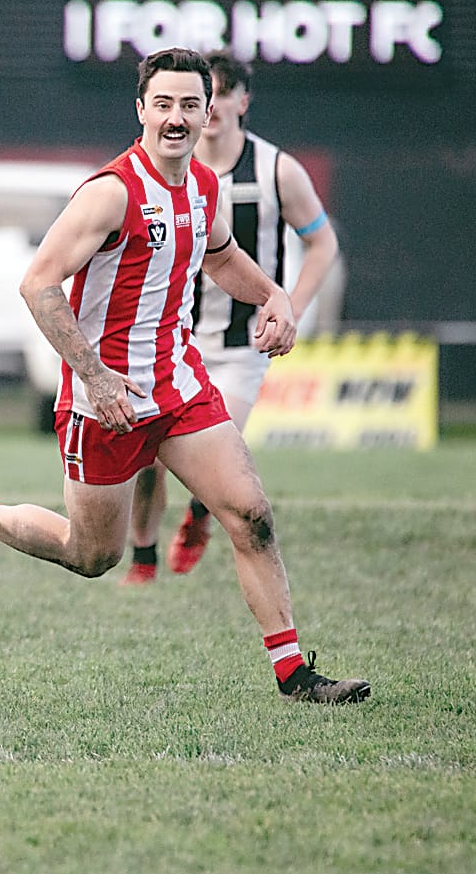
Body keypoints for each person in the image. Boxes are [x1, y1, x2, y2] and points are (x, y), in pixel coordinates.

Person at [0, 47, 369, 705]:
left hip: (179, 386)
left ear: (207, 113)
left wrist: (273, 296)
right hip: (106, 399)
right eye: (163, 104)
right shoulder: (111, 192)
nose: (176, 117)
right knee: (92, 555)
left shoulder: (202, 185)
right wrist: (94, 376)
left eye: (189, 104)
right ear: (141, 111)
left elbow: (221, 256)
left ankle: (294, 675)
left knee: (251, 516)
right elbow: (37, 283)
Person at [121, 51, 343, 585]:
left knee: (220, 448)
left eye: (222, 94)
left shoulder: (275, 170)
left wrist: (288, 305)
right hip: (172, 341)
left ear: (243, 101)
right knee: (149, 461)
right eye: (207, 95)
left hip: (242, 343)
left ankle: (200, 514)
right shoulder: (164, 168)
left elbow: (322, 243)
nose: (213, 106)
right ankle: (144, 559)